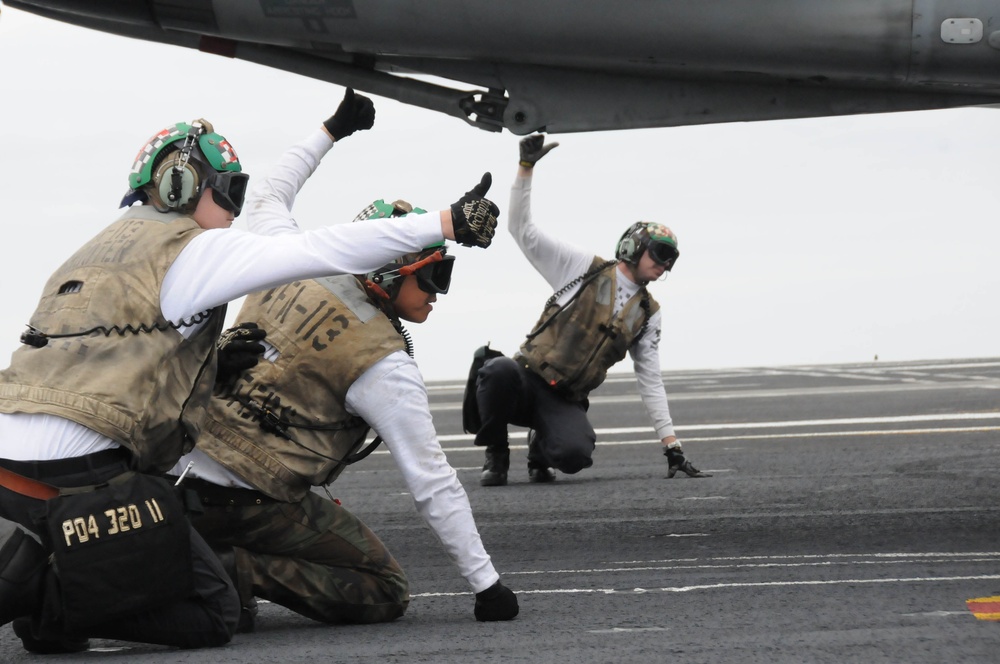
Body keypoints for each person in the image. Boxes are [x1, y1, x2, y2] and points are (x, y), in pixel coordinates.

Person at [0, 88, 499, 654]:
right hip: (109, 475)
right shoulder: (204, 254)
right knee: (243, 610)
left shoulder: (92, 251)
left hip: (27, 455)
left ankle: (49, 571)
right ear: (184, 187)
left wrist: (328, 132)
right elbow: (325, 247)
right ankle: (58, 597)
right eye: (228, 193)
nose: (236, 209)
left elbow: (110, 353)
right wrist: (445, 222)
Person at [165, 156, 518, 627]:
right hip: (248, 500)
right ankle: (232, 568)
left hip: (169, 476)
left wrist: (328, 132)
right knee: (384, 591)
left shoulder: (284, 256)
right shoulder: (380, 360)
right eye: (436, 276)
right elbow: (432, 481)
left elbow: (270, 195)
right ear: (391, 270)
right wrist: (487, 586)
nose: (440, 292)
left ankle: (208, 563)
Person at [468, 135, 709, 486]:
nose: (665, 265)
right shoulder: (583, 267)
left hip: (564, 397)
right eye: (659, 253)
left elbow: (650, 379)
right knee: (495, 371)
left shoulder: (647, 313)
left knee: (574, 456)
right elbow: (521, 230)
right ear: (635, 246)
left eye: (671, 259)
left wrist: (672, 445)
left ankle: (541, 449)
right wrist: (526, 168)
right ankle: (497, 452)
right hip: (525, 377)